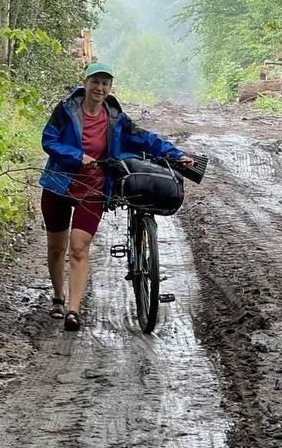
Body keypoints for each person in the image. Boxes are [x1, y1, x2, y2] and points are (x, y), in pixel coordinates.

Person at [39, 62, 193, 331]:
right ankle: (58, 297)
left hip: (94, 189)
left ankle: (73, 310)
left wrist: (176, 154)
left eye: (105, 83)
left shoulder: (115, 118)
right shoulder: (66, 111)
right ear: (85, 83)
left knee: (78, 247)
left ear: (110, 88)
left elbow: (146, 139)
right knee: (56, 248)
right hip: (59, 185)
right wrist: (77, 156)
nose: (99, 88)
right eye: (95, 82)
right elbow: (49, 140)